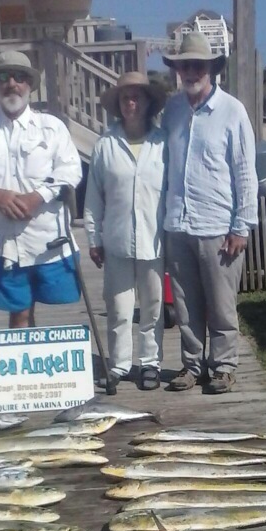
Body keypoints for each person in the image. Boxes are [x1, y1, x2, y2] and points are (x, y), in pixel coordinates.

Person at [0, 50, 82, 331]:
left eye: (20, 77)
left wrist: (38, 196)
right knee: (18, 312)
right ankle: (23, 372)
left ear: (30, 85)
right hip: (4, 241)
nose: (12, 83)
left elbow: (71, 170)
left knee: (59, 302)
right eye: (4, 76)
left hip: (49, 240)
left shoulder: (52, 127)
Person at [162, 31, 258, 394]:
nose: (191, 71)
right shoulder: (171, 110)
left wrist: (242, 225)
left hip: (219, 226)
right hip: (178, 223)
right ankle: (192, 365)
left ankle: (223, 366)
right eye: (185, 65)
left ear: (211, 69)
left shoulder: (232, 111)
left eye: (197, 65)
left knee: (221, 305)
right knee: (186, 306)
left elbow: (246, 173)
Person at [84, 71, 167, 391]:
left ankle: (150, 363)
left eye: (137, 96)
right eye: (125, 97)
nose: (131, 102)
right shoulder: (105, 144)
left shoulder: (162, 143)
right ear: (118, 104)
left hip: (154, 238)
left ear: (148, 102)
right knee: (118, 308)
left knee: (152, 307)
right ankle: (119, 364)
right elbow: (94, 197)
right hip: (116, 240)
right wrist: (93, 237)